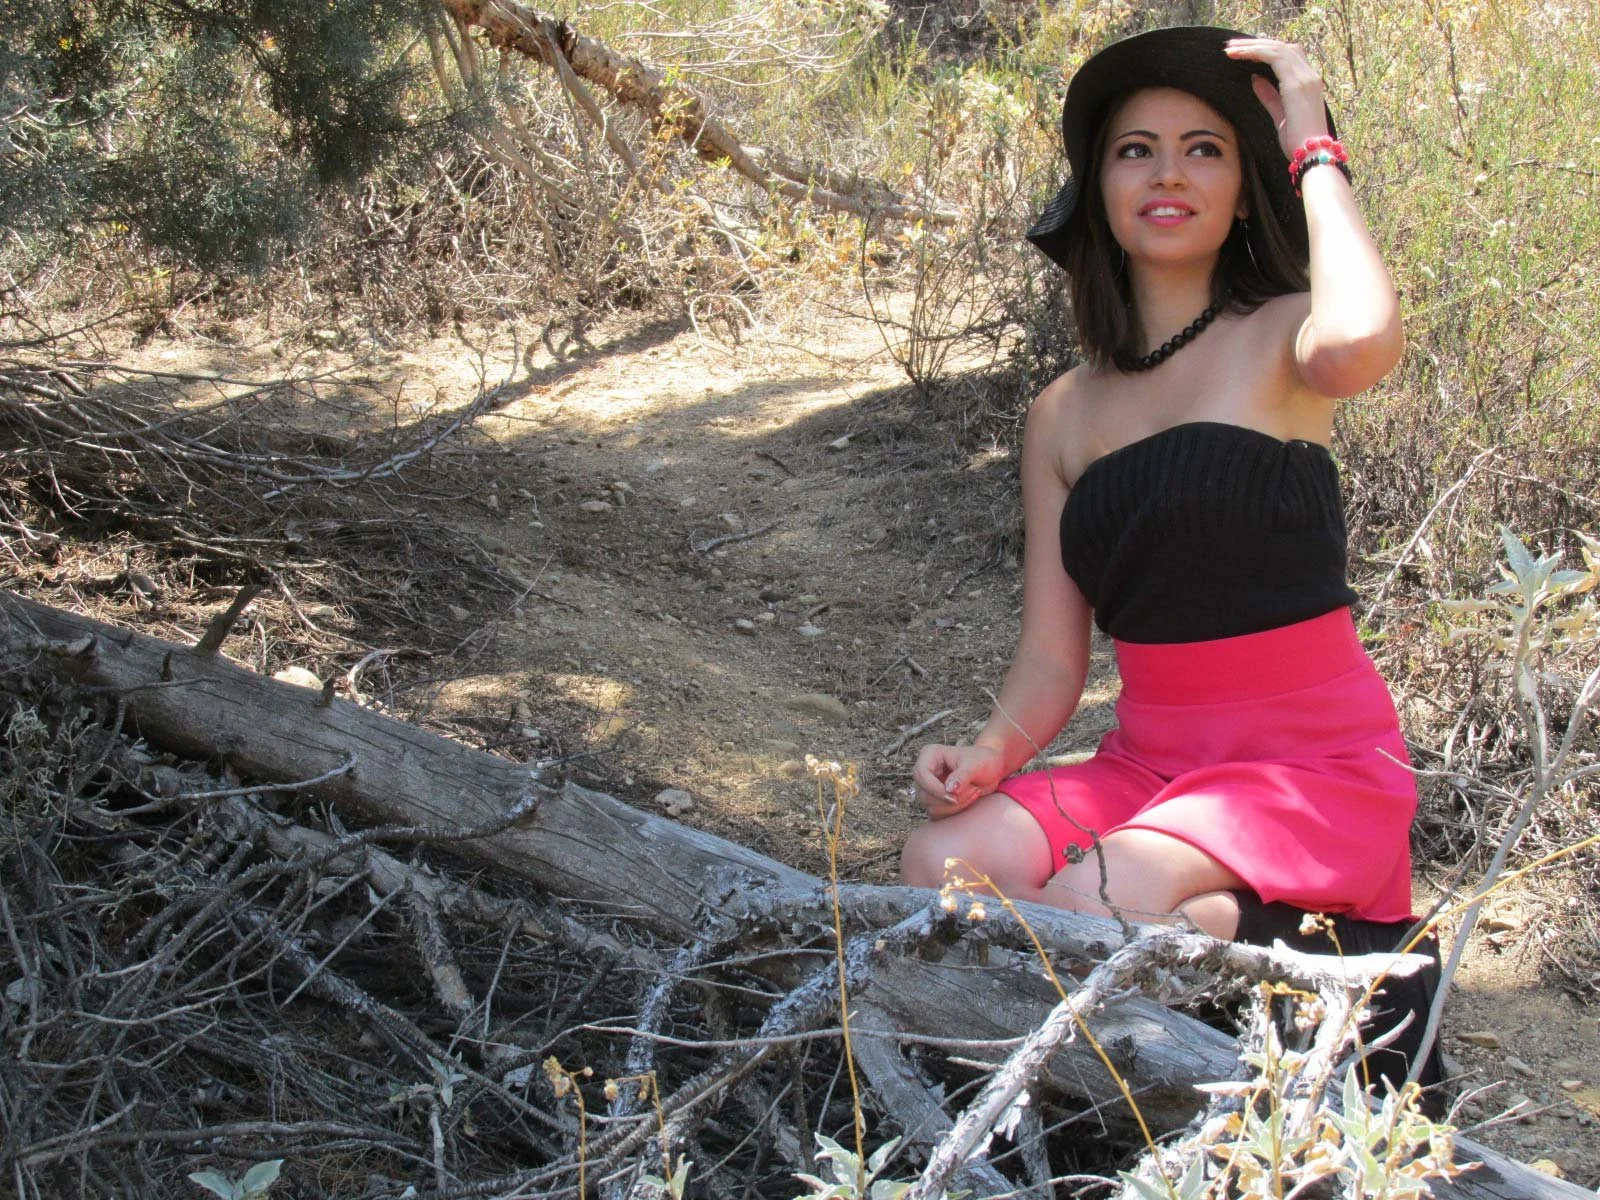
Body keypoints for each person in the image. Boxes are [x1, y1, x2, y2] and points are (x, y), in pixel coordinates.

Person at [898, 25, 1441, 1097]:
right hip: (1153, 764)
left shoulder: (1287, 337)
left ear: (1245, 189)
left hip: (1304, 766)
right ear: (1098, 187)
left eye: (1205, 149)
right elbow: (1054, 663)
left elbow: (1366, 336)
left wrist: (1312, 139)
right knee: (938, 866)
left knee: (1082, 905)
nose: (1168, 172)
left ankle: (1275, 941)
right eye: (1135, 149)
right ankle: (1081, 1080)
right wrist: (987, 756)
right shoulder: (1062, 413)